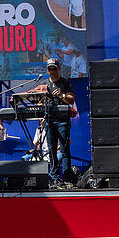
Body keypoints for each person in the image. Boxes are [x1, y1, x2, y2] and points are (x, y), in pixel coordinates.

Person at [42, 58, 75, 188]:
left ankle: (67, 178)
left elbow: (71, 100)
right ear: (47, 70)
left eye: (54, 68)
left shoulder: (65, 83)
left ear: (59, 68)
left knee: (65, 149)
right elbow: (39, 101)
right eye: (50, 69)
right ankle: (54, 178)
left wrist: (62, 96)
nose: (52, 71)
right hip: (49, 119)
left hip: (63, 120)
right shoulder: (45, 83)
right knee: (51, 150)